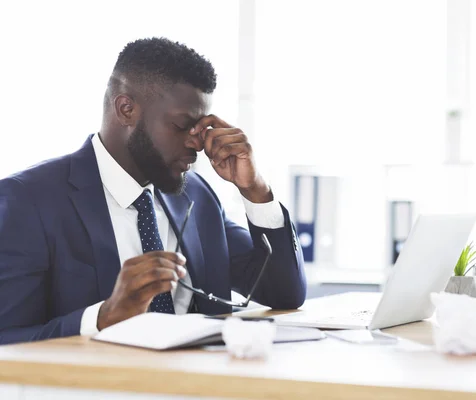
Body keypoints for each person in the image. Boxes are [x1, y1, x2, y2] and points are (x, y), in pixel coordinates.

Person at [0, 37, 306, 345]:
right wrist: (103, 317)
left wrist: (255, 189)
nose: (196, 144)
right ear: (126, 109)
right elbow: (7, 339)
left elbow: (284, 293)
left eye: (201, 130)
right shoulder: (27, 201)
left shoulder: (196, 196)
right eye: (181, 126)